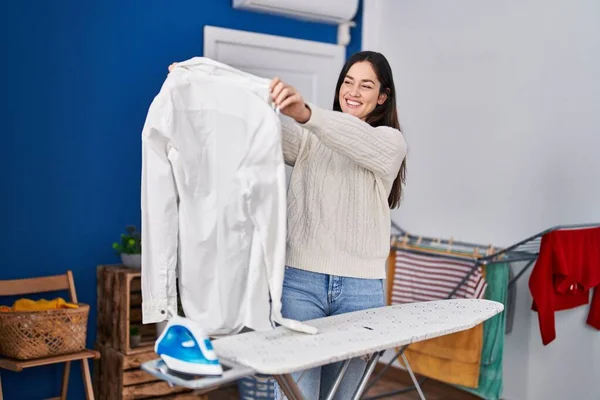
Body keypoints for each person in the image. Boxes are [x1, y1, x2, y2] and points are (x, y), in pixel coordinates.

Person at [168, 50, 407, 399]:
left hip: (361, 293)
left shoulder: (389, 142)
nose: (353, 91)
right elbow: (251, 125)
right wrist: (205, 84)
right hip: (300, 284)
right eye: (348, 82)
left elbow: (356, 139)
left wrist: (306, 113)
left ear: (382, 97)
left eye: (366, 85)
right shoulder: (309, 138)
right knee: (297, 395)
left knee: (344, 396)